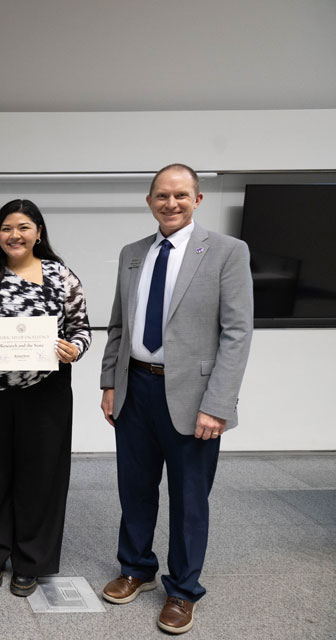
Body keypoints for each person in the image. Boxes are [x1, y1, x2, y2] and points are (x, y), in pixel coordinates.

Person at [99, 164, 253, 634]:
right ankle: (135, 568)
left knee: (189, 498)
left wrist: (219, 404)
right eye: (162, 196)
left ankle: (184, 591)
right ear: (149, 201)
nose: (171, 203)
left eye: (181, 195)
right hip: (136, 388)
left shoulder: (227, 251)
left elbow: (237, 332)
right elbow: (119, 327)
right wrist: (109, 383)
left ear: (198, 200)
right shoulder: (132, 253)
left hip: (195, 396)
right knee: (135, 488)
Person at [0, 199, 91, 596]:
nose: (15, 235)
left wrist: (74, 349)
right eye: (7, 228)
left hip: (45, 393)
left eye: (24, 227)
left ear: (39, 232)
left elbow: (82, 328)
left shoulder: (61, 276)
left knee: (40, 475)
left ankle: (31, 560)